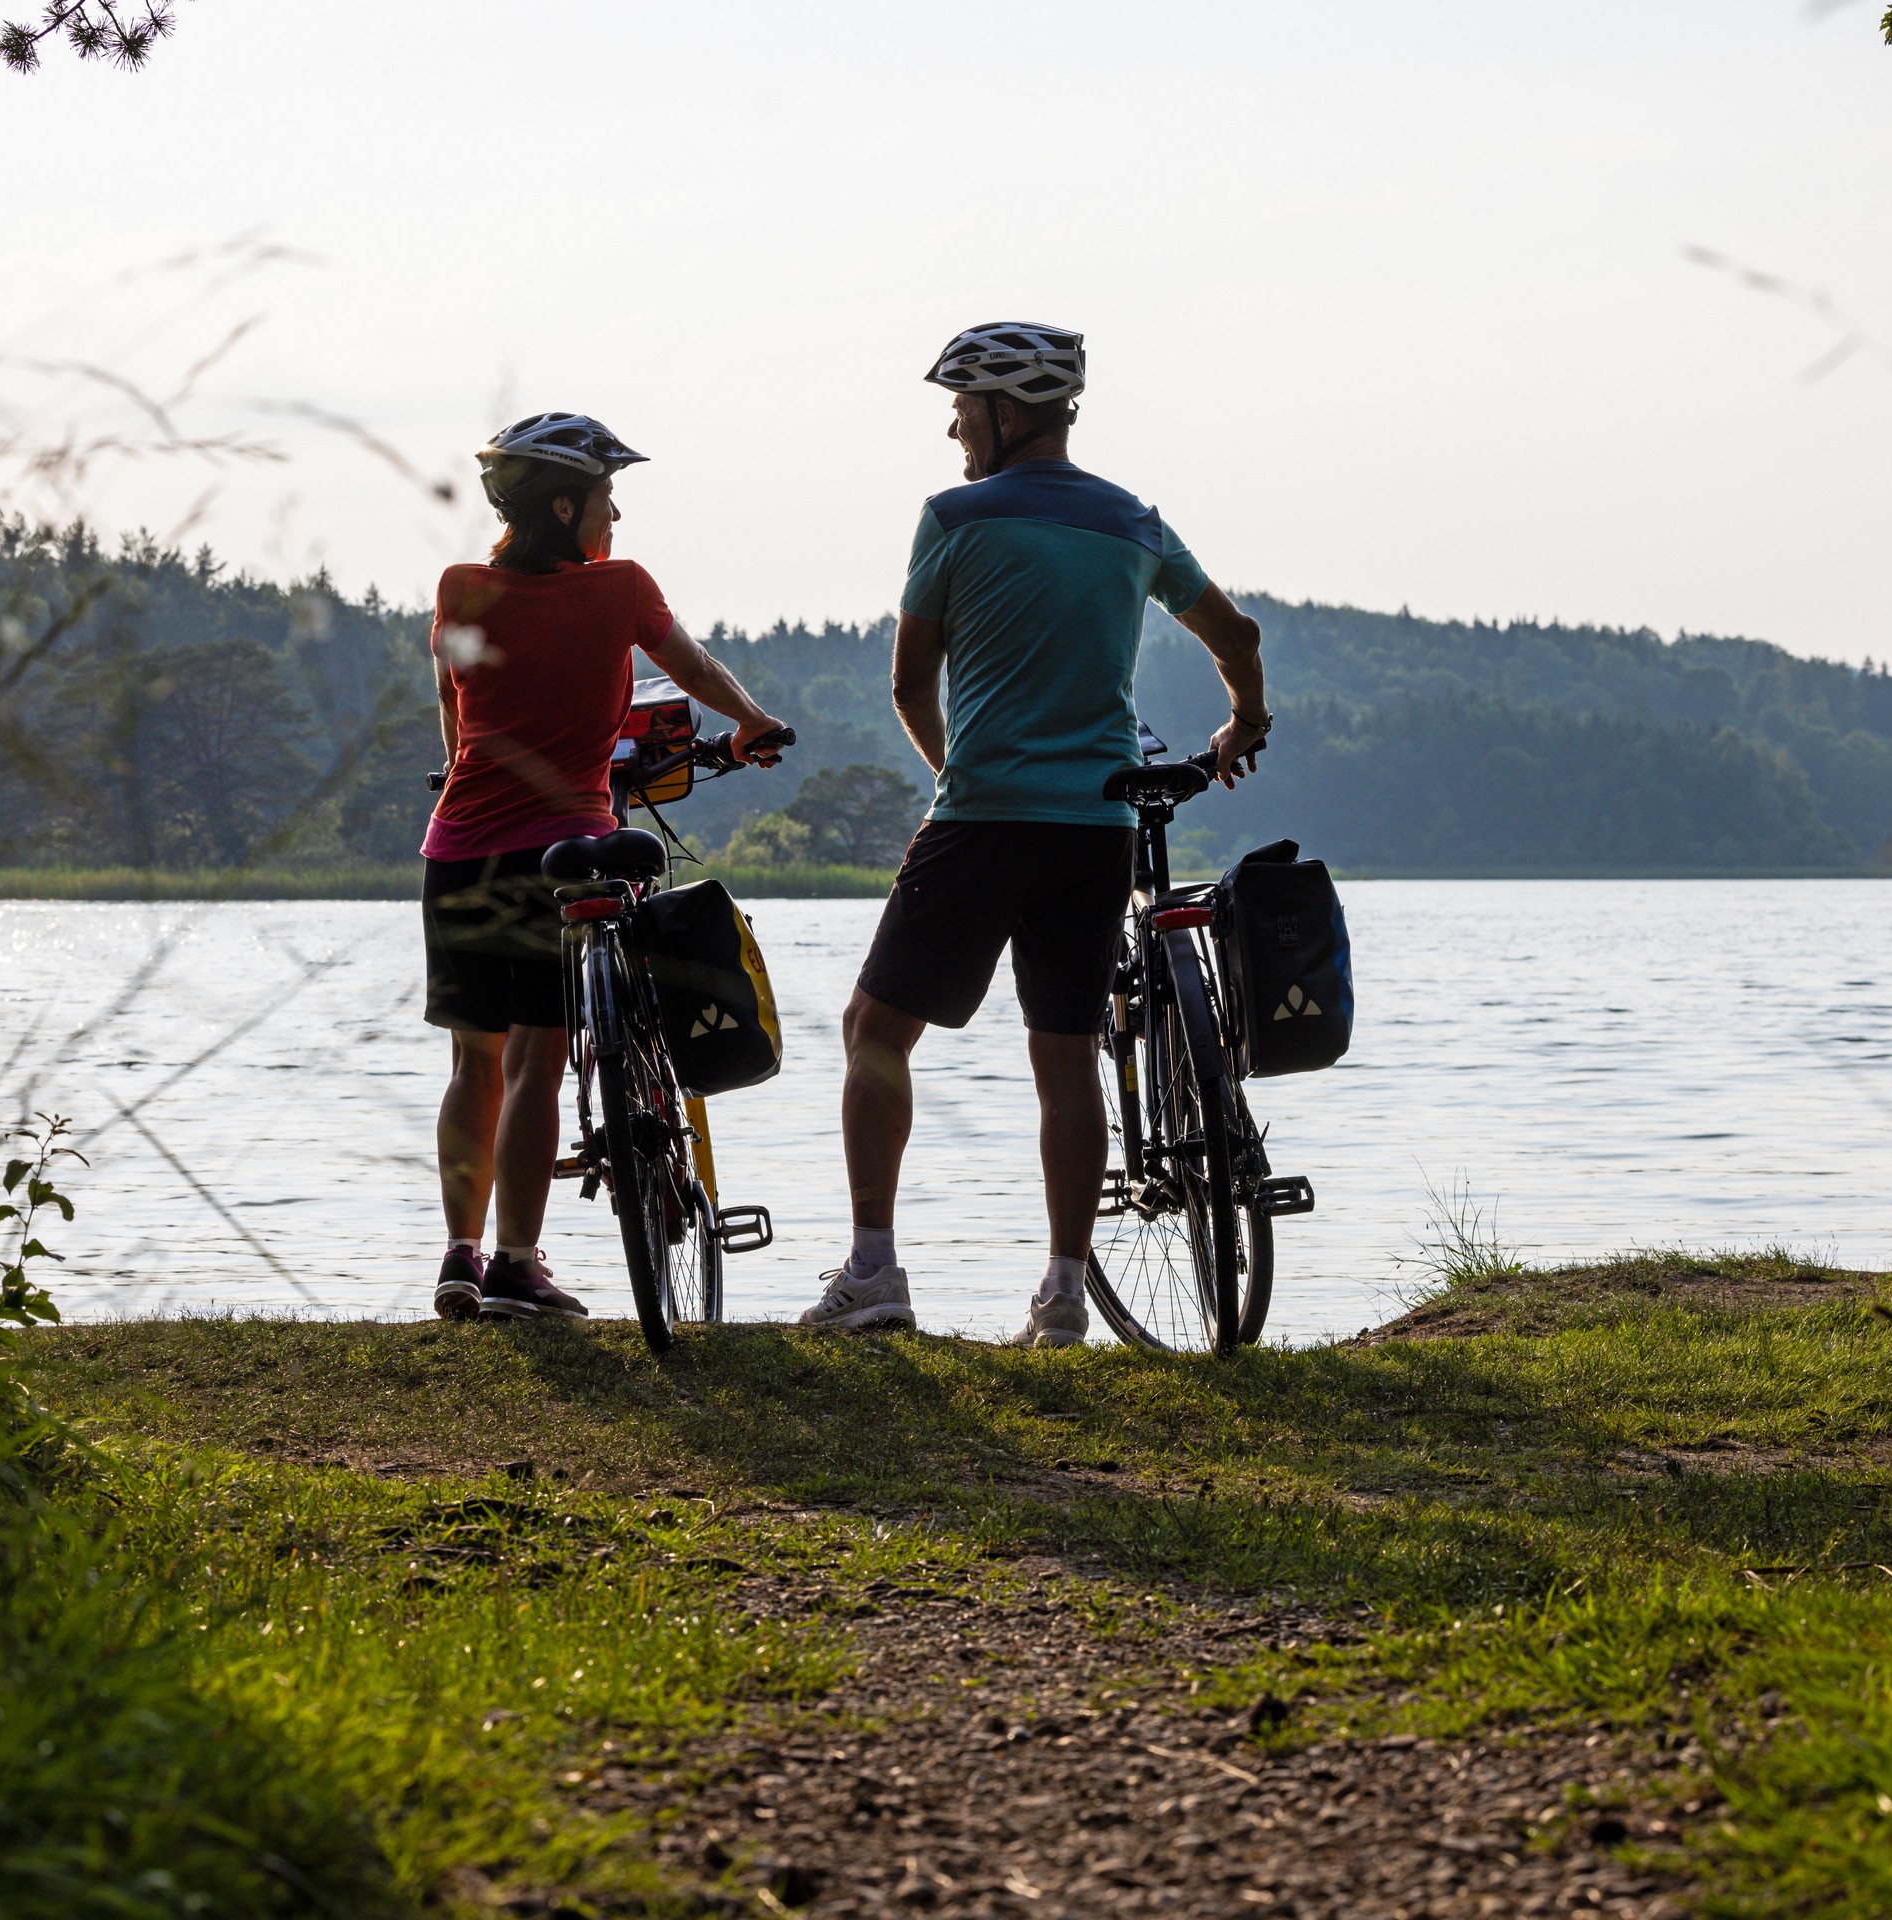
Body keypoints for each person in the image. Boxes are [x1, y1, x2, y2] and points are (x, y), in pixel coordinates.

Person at [801, 324, 1271, 1347]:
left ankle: (873, 1271)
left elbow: (906, 682)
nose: (953, 425)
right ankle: (1062, 1300)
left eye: (964, 407)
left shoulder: (955, 518)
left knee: (875, 1032)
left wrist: (952, 774)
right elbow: (1237, 637)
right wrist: (1245, 721)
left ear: (1008, 414)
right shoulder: (1132, 523)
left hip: (981, 819)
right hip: (1096, 825)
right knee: (1066, 1056)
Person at [424, 411, 787, 1324]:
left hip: (460, 852)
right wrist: (749, 720)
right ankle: (516, 1264)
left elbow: (453, 715)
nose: (614, 518)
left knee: (477, 1065)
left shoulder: (460, 587)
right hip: (565, 852)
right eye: (604, 499)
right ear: (562, 503)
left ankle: (459, 1259)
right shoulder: (620, 588)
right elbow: (690, 666)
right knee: (540, 1062)